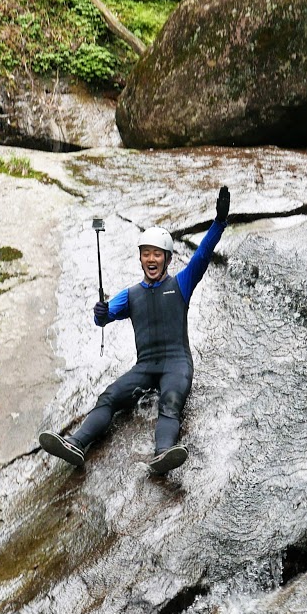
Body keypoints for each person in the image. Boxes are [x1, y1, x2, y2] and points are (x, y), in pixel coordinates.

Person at [41, 186, 230, 476]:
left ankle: (163, 453)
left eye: (157, 254)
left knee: (171, 401)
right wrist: (100, 313)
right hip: (145, 367)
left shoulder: (181, 283)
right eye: (146, 254)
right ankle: (76, 444)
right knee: (109, 397)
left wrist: (218, 223)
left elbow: (203, 256)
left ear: (167, 259)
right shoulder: (130, 295)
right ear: (140, 259)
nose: (151, 259)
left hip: (177, 365)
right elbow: (103, 318)